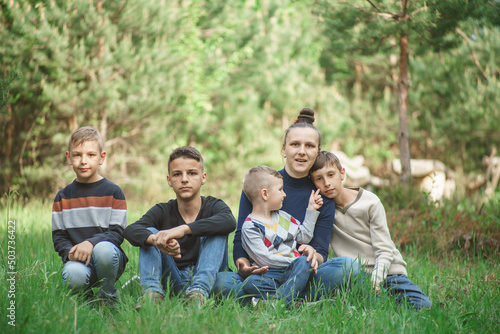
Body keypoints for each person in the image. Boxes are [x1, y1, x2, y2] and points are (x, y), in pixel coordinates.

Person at [215, 108, 360, 302]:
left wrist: (312, 255)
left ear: (317, 151)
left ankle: (266, 300)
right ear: (284, 149)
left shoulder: (321, 196)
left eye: (309, 146)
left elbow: (321, 252)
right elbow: (241, 236)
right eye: (295, 144)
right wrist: (243, 265)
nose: (301, 151)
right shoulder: (259, 184)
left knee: (349, 267)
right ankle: (298, 300)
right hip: (262, 273)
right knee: (220, 282)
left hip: (304, 271)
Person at [309, 151, 432, 310]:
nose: (326, 183)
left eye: (331, 175)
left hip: (390, 273)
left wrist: (377, 278)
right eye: (319, 179)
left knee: (425, 307)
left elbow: (385, 249)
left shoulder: (369, 202)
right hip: (357, 276)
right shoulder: (324, 210)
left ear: (342, 174)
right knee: (374, 308)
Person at [124, 146, 236, 308]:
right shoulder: (163, 210)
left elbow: (229, 221)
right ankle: (152, 295)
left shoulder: (214, 206)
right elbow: (131, 230)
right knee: (148, 234)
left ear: (203, 177)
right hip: (173, 281)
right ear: (169, 180)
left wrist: (183, 229)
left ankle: (197, 293)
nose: (184, 179)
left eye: (192, 173)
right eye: (177, 174)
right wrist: (156, 240)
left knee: (218, 228)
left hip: (209, 281)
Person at [52, 126, 128, 304]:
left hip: (108, 260)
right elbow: (59, 236)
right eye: (77, 155)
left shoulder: (114, 192)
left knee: (103, 249)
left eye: (90, 155)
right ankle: (86, 298)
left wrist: (90, 243)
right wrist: (70, 254)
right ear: (69, 158)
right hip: (78, 261)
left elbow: (116, 233)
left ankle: (108, 295)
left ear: (101, 158)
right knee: (73, 274)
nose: (83, 161)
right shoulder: (62, 197)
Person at [240, 166, 323, 305]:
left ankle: (277, 301)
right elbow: (266, 259)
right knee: (251, 283)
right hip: (272, 275)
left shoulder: (283, 217)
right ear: (265, 194)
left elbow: (304, 236)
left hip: (296, 271)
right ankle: (296, 299)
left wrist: (311, 209)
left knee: (308, 262)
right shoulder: (250, 227)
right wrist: (296, 262)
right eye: (280, 190)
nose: (284, 194)